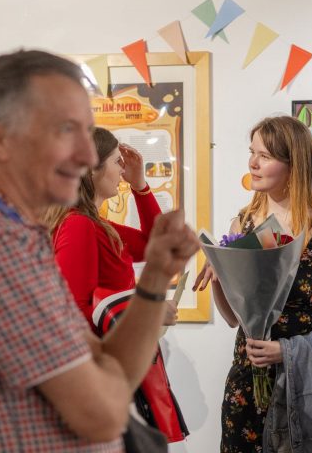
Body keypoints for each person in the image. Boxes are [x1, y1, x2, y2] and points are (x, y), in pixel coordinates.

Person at [0, 50, 200, 452]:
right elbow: (104, 413)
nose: (88, 155)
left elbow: (109, 367)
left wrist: (156, 278)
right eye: (65, 130)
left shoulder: (12, 236)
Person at [194, 115, 312, 452]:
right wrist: (220, 276)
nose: (253, 162)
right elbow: (236, 318)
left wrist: (289, 352)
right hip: (248, 384)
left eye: (265, 155)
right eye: (252, 152)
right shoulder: (243, 222)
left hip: (310, 388)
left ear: (294, 163)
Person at [46, 126, 188, 443]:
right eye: (116, 162)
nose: (122, 169)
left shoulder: (95, 225)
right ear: (92, 170)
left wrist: (140, 187)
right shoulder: (78, 225)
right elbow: (75, 312)